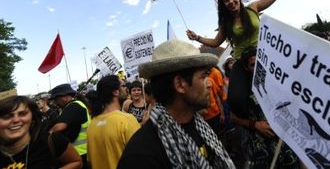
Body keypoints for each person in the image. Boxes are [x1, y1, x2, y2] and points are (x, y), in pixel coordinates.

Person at [117, 40, 235, 168]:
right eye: (203, 76)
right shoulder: (140, 156)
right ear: (179, 84)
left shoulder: (200, 126)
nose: (209, 83)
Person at [228, 46, 300, 168]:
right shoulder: (242, 89)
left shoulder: (279, 82)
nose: (258, 67)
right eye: (253, 64)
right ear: (246, 67)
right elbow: (233, 117)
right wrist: (255, 125)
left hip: (286, 141)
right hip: (261, 147)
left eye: (261, 62)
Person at [0, 95, 82, 169]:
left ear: (32, 119)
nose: (16, 120)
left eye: (23, 114)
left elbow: (76, 162)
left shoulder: (52, 141)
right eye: (7, 116)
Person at [86, 75, 140, 169]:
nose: (126, 89)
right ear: (115, 92)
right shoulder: (126, 120)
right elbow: (141, 158)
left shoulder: (92, 125)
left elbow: (90, 161)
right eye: (123, 86)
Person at [49, 83, 91, 169]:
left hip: (79, 153)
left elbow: (59, 127)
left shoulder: (73, 106)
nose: (55, 102)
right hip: (81, 153)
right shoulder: (72, 106)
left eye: (56, 99)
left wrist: (47, 136)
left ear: (64, 97)